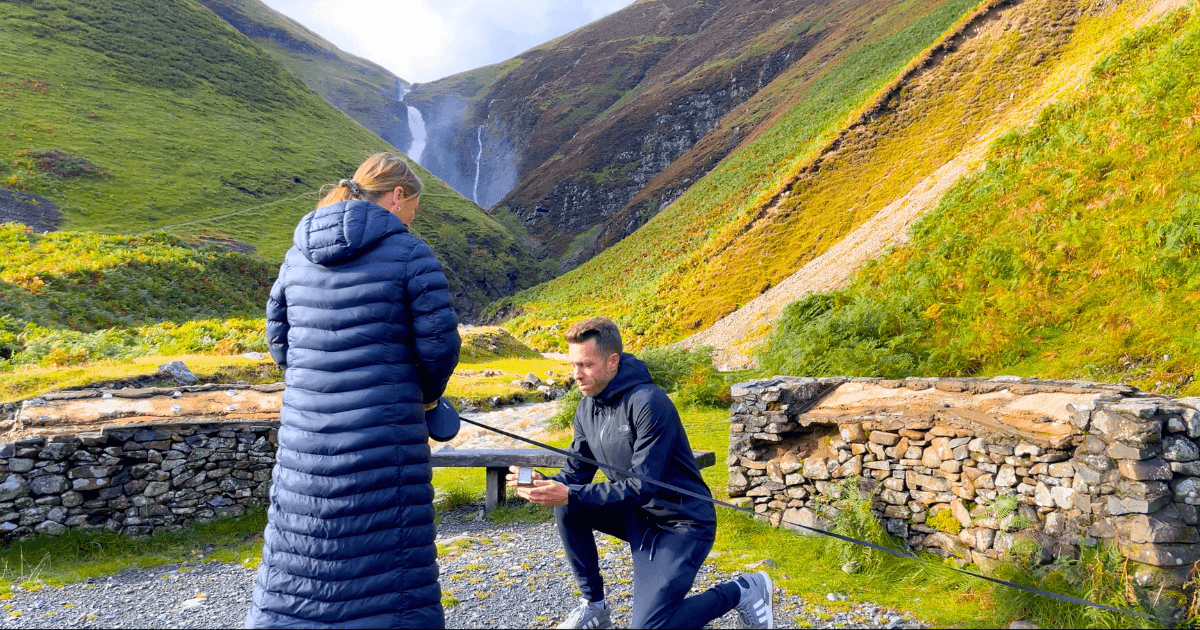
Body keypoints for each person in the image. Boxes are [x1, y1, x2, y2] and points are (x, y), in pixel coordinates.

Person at [247, 153, 460, 628]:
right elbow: (438, 349)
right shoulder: (410, 254)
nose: (411, 218)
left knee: (299, 552)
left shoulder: (296, 253)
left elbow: (280, 343)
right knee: (387, 560)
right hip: (382, 438)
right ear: (397, 196)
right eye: (413, 206)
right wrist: (424, 397)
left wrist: (316, 385)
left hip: (306, 438)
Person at [508, 317, 774, 629]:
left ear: (612, 362)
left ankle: (743, 590)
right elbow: (576, 474)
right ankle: (594, 606)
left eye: (586, 365)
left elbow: (642, 486)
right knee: (567, 504)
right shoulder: (587, 407)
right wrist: (545, 484)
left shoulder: (649, 402)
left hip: (682, 523)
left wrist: (568, 492)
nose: (576, 375)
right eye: (573, 365)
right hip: (637, 517)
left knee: (650, 627)